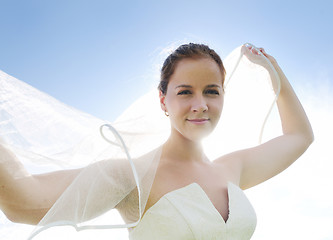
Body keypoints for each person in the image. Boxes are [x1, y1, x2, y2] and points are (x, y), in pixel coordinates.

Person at [0, 43, 313, 239]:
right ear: (163, 101)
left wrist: (274, 71)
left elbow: (299, 137)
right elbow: (23, 202)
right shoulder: (133, 175)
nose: (200, 104)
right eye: (185, 91)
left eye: (211, 91)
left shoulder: (233, 168)